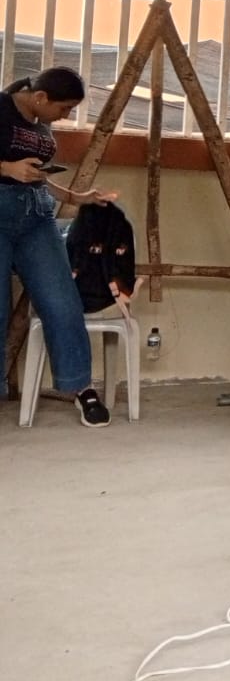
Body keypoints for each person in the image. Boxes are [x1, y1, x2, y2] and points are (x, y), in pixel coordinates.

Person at [1, 67, 120, 427]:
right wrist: (6, 168)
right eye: (64, 108)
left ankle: (80, 388)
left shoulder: (41, 123)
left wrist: (76, 197)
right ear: (41, 97)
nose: (65, 116)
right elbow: (16, 170)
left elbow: (37, 176)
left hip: (36, 218)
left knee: (62, 301)